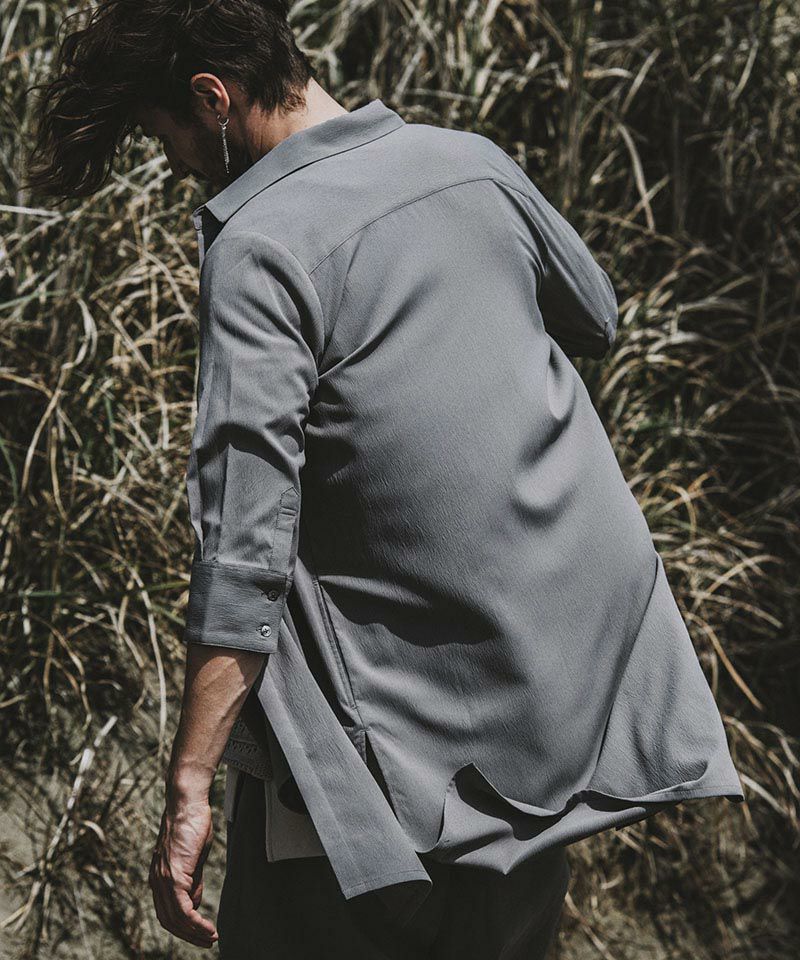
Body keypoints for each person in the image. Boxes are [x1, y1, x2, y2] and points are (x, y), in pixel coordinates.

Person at [24, 2, 745, 958]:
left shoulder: (261, 245)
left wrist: (189, 782)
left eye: (168, 139)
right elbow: (595, 314)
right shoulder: (472, 162)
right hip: (555, 696)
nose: (177, 165)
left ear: (212, 98)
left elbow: (244, 547)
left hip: (393, 754)